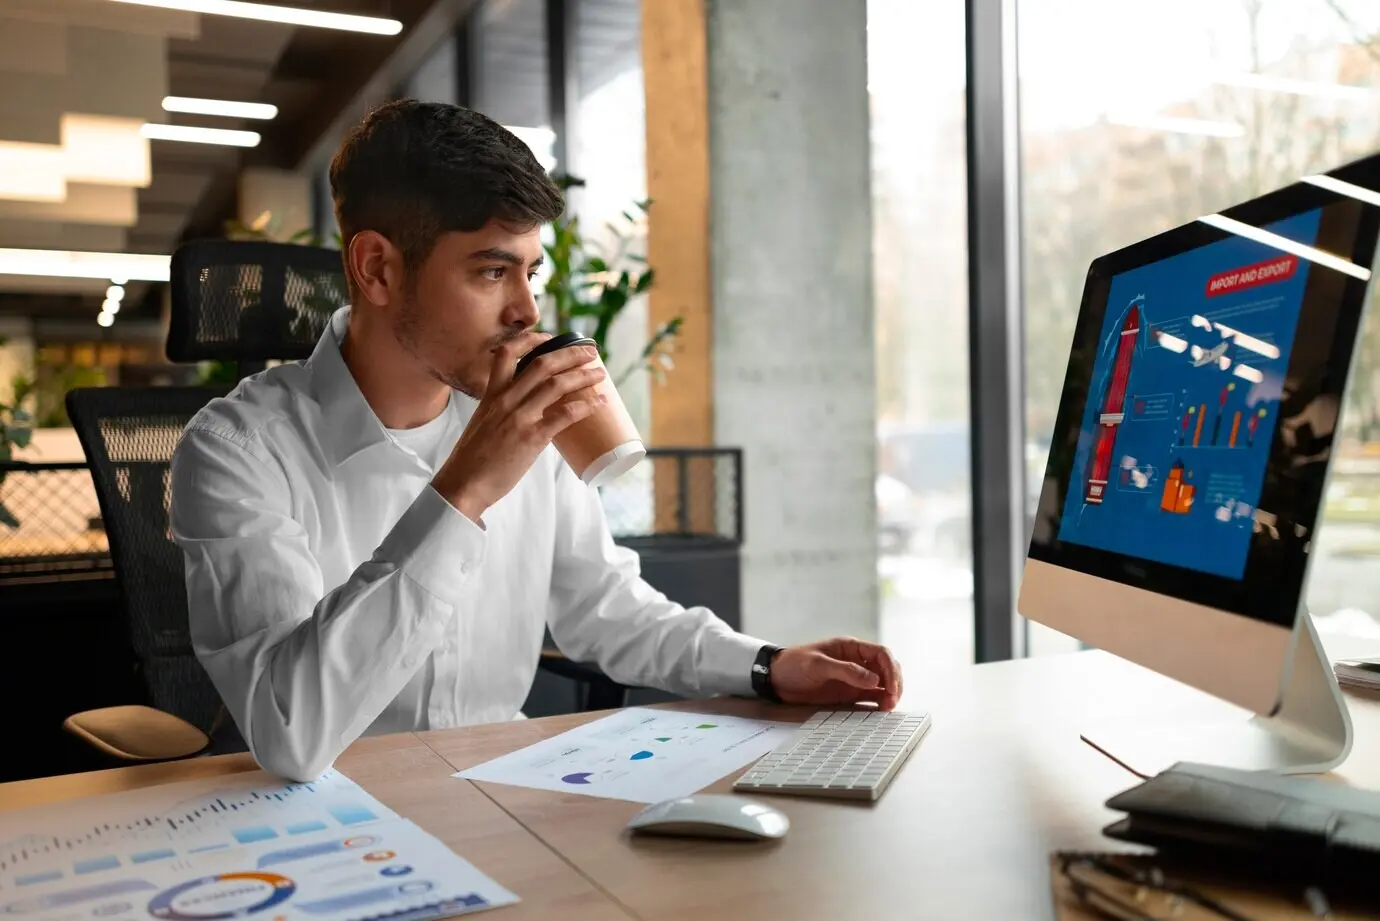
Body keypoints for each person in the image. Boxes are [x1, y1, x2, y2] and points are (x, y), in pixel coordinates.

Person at [169, 99, 903, 783]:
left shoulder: (527, 418)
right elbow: (291, 732)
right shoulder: (237, 449)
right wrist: (464, 490)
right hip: (330, 809)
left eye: (532, 272)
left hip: (502, 785)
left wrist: (769, 666)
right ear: (378, 268)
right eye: (492, 271)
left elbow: (607, 605)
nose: (527, 310)